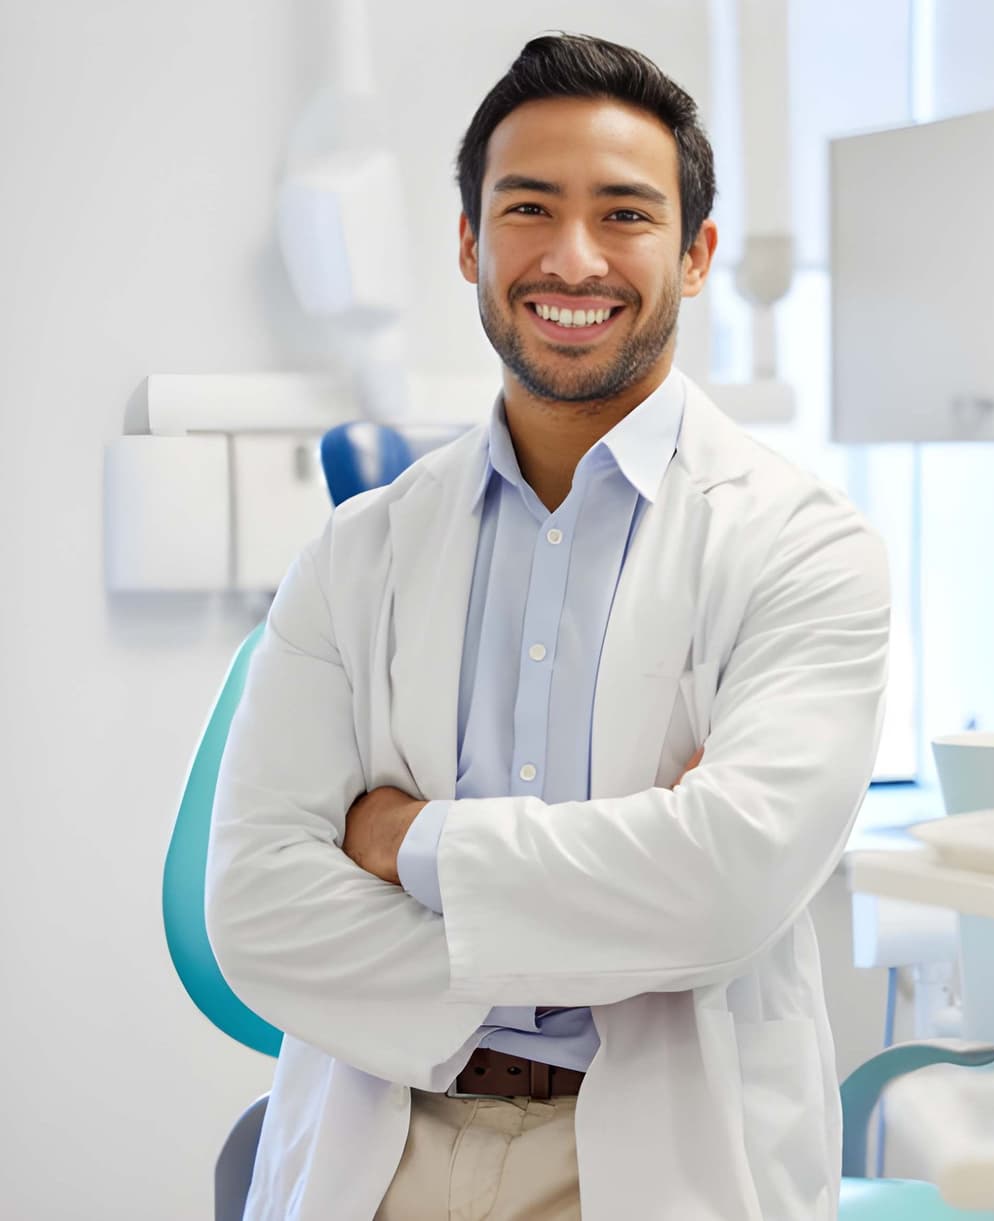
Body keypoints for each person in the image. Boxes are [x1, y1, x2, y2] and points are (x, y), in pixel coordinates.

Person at [206, 31, 890, 1221]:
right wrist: (625, 922)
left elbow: (721, 889)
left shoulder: (805, 549)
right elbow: (255, 910)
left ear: (695, 257)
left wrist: (407, 846)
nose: (573, 256)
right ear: (471, 243)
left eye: (626, 214)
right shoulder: (356, 552)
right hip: (381, 1145)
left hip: (651, 1158)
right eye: (529, 207)